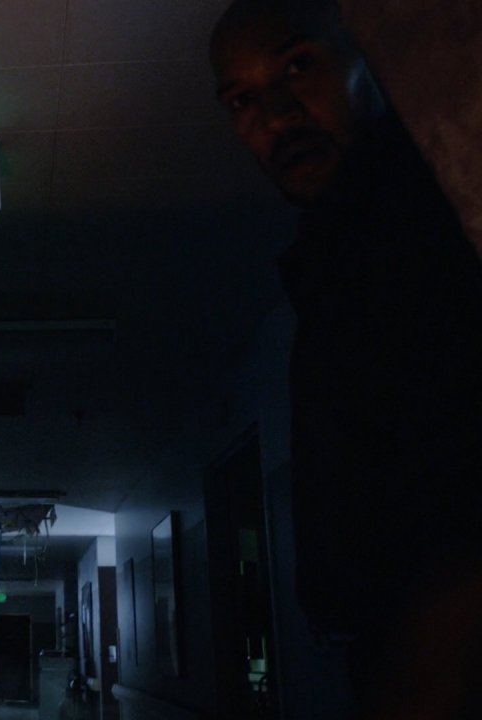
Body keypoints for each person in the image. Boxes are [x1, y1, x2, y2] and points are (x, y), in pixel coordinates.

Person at [210, 2, 482, 717]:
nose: (276, 116)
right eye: (241, 100)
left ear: (363, 55)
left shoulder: (423, 230)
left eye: (299, 67)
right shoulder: (335, 260)